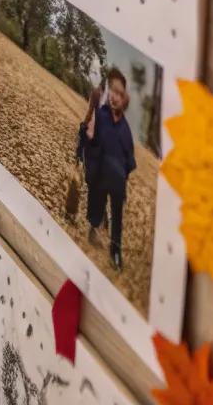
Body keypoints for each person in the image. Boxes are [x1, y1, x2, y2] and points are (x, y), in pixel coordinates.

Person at [78, 67, 136, 272]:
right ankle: (93, 228)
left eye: (119, 94)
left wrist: (123, 175)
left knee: (117, 215)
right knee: (97, 200)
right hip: (101, 172)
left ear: (125, 99)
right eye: (112, 91)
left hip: (118, 180)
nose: (114, 97)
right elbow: (90, 137)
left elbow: (130, 158)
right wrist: (89, 135)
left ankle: (115, 251)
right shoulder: (100, 116)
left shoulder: (126, 129)